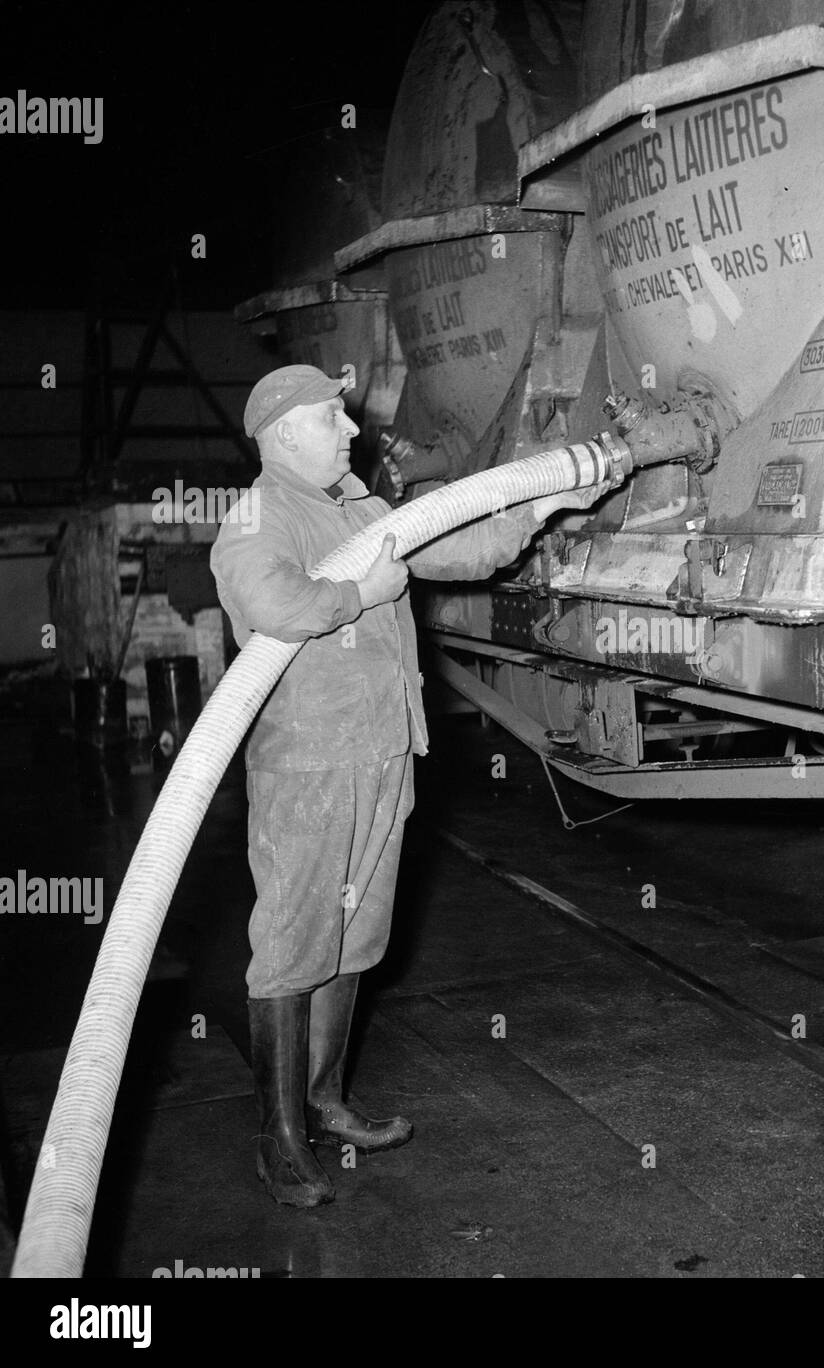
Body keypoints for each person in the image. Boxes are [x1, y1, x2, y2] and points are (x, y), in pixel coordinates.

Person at [211, 364, 608, 1207]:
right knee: (292, 942)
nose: (351, 429)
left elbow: (457, 547)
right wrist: (358, 593)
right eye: (332, 417)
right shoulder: (259, 513)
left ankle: (324, 1103)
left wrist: (541, 505)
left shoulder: (361, 506)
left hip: (386, 751)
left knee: (354, 939)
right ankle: (278, 1142)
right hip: (309, 765)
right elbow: (272, 601)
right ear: (284, 432)